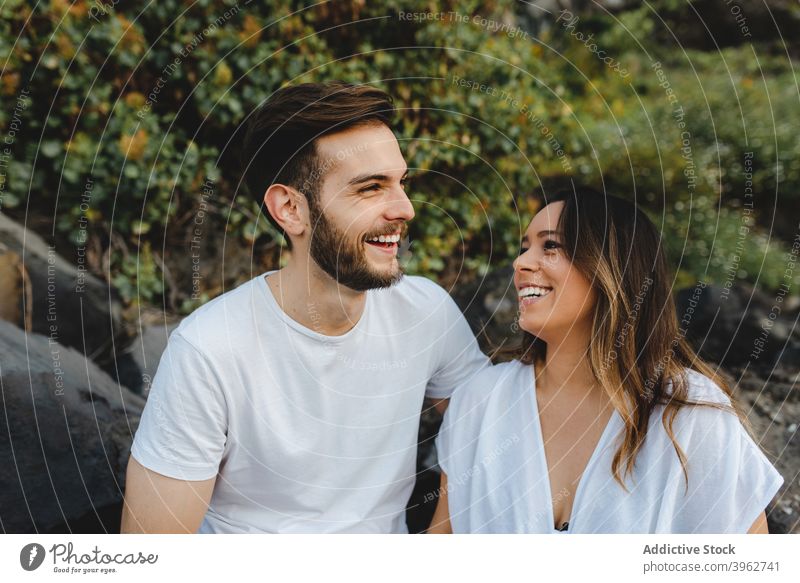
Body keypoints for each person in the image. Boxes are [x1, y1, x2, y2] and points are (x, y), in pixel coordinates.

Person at [121, 82, 489, 534]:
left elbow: (488, 422)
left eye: (401, 183)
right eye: (370, 188)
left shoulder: (425, 311)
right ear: (291, 209)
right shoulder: (209, 350)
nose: (405, 208)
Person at [429, 187, 783, 534]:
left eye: (550, 245)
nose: (520, 263)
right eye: (525, 248)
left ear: (612, 267)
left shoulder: (689, 413)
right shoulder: (480, 400)